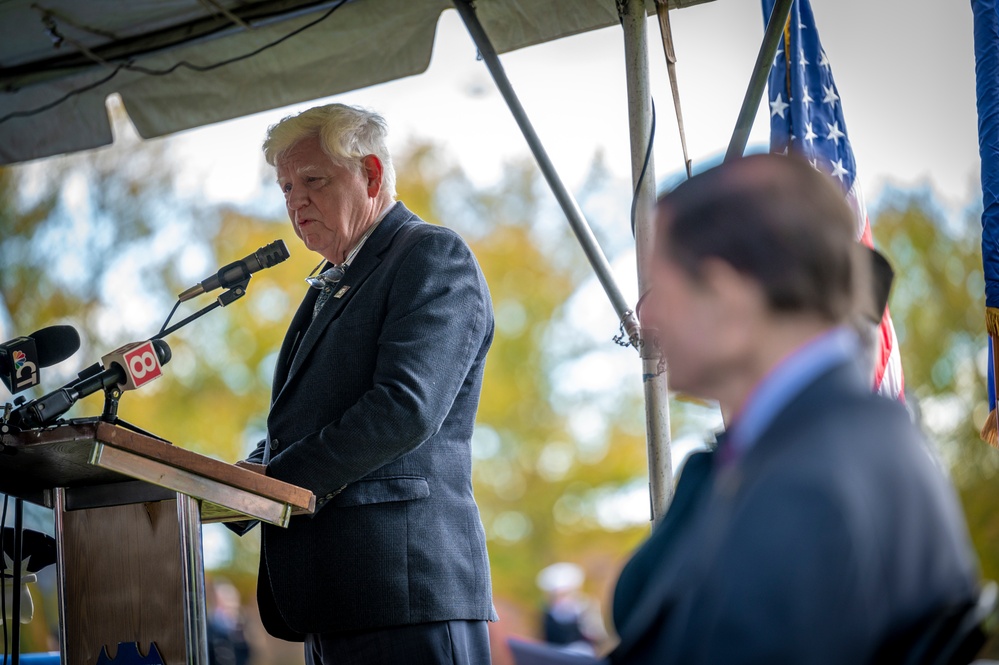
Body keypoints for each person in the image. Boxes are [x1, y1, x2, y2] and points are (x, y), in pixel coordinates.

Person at [609, 153, 980, 664]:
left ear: (726, 297)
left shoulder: (807, 487)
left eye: (659, 286)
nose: (645, 314)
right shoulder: (852, 440)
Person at [230, 103, 496, 664]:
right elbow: (313, 417)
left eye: (313, 181)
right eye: (284, 187)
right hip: (333, 599)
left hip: (405, 592)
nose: (294, 202)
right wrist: (242, 474)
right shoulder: (333, 277)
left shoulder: (430, 255)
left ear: (372, 174)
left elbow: (404, 408)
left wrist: (274, 482)